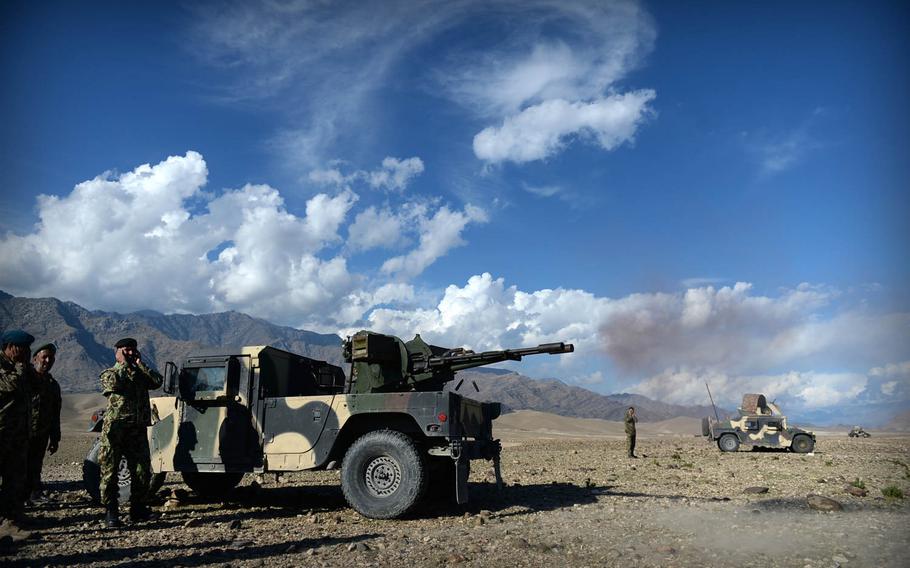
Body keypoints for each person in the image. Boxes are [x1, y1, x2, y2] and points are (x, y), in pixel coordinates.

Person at [98, 337, 162, 527]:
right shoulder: (110, 373)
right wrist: (124, 363)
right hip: (116, 429)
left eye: (133, 349)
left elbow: (157, 381)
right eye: (126, 350)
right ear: (116, 352)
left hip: (137, 429)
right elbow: (114, 385)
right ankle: (111, 511)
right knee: (110, 471)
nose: (130, 353)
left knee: (142, 471)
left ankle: (138, 509)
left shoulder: (140, 374)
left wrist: (141, 364)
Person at [0, 330, 34, 533]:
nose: (27, 352)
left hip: (18, 433)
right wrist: (22, 367)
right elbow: (12, 384)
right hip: (2, 431)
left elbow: (35, 387)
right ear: (11, 347)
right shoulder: (5, 367)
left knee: (15, 478)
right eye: (24, 348)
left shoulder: (21, 368)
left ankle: (12, 520)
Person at [25, 343, 62, 503]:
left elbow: (55, 413)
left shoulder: (52, 385)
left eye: (51, 357)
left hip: (41, 432)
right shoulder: (24, 380)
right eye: (44, 357)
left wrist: (55, 437)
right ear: (35, 359)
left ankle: (34, 494)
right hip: (20, 432)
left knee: (35, 463)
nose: (47, 360)